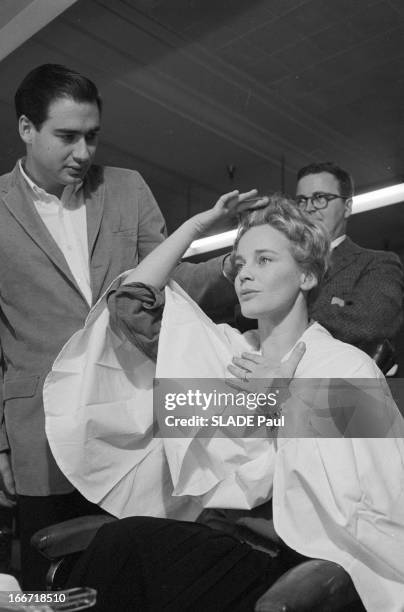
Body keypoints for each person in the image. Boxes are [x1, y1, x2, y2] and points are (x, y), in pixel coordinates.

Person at [55, 191, 404, 612]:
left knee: (124, 545)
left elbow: (375, 491)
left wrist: (285, 398)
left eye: (264, 260)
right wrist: (194, 228)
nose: (243, 275)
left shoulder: (345, 366)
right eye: (239, 263)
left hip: (287, 559)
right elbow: (130, 307)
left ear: (307, 276)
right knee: (120, 552)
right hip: (218, 536)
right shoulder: (226, 351)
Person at [0, 63, 237, 588]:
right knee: (49, 585)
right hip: (40, 431)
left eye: (92, 136)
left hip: (133, 420)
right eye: (67, 137)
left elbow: (168, 278)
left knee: (137, 569)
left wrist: (230, 267)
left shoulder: (127, 187)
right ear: (25, 129)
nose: (84, 153)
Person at [295, 161, 403, 350]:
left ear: (347, 207)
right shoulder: (282, 262)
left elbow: (372, 323)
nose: (309, 207)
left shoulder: (377, 263)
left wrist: (286, 318)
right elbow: (245, 315)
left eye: (320, 198)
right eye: (302, 200)